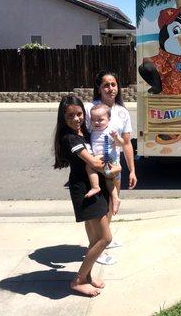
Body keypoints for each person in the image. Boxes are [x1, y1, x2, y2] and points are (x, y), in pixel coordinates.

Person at [53, 94, 112, 297]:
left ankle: (86, 276)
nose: (76, 119)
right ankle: (78, 280)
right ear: (63, 118)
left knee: (96, 238)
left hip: (93, 188)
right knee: (105, 238)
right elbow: (95, 163)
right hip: (85, 191)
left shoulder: (83, 132)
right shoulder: (70, 138)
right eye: (70, 116)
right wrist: (111, 164)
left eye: (79, 114)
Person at [85, 70, 137, 264]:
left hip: (113, 166)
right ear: (99, 88)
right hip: (94, 166)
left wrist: (132, 170)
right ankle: (96, 248)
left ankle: (104, 240)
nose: (110, 88)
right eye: (106, 85)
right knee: (95, 212)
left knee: (110, 205)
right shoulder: (91, 109)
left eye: (113, 84)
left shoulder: (122, 112)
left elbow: (127, 143)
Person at [85, 103, 123, 216]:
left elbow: (121, 143)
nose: (96, 122)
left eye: (100, 120)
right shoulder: (93, 131)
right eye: (94, 120)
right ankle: (115, 199)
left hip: (108, 159)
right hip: (100, 161)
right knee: (108, 182)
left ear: (109, 119)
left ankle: (95, 186)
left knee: (89, 165)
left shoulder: (110, 131)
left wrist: (116, 137)